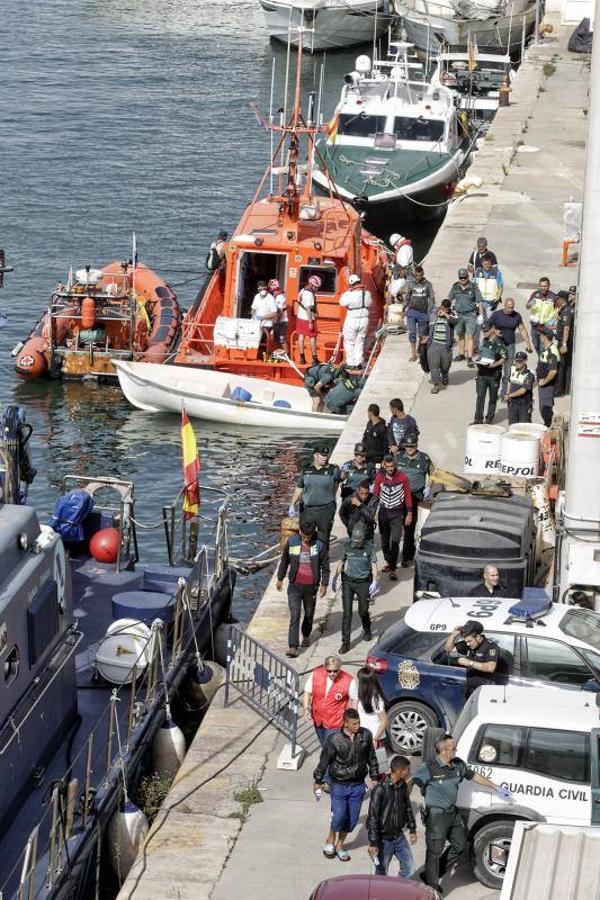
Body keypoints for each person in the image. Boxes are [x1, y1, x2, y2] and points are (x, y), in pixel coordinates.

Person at [412, 733, 506, 892]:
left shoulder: (457, 765)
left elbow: (474, 776)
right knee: (434, 852)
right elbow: (411, 781)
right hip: (436, 815)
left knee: (460, 845)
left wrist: (495, 787)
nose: (456, 750)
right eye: (453, 748)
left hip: (452, 814)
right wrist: (403, 805)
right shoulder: (428, 768)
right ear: (443, 751)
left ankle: (432, 874)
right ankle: (432, 887)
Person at [313, 707, 379, 862]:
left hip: (357, 786)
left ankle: (340, 845)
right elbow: (324, 761)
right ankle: (330, 839)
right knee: (339, 816)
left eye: (358, 723)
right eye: (354, 724)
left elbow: (372, 758)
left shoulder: (365, 735)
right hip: (339, 785)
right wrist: (318, 780)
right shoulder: (334, 739)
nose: (357, 726)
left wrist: (374, 776)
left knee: (352, 819)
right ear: (345, 724)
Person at [276, 519, 329, 658]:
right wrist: (280, 578)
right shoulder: (292, 542)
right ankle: (293, 646)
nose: (306, 540)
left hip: (311, 587)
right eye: (304, 537)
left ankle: (306, 634)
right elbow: (284, 560)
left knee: (309, 613)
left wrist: (324, 584)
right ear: (300, 532)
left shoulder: (319, 545)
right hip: (294, 585)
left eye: (309, 537)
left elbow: (325, 565)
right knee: (295, 614)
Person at [367, 756, 417, 878]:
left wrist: (412, 829)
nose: (409, 772)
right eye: (408, 770)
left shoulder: (403, 786)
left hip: (399, 837)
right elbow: (373, 817)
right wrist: (373, 842)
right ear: (400, 771)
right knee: (381, 874)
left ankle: (397, 891)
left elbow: (408, 808)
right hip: (383, 840)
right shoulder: (380, 789)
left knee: (409, 869)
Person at [303, 656, 357, 760]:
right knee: (325, 746)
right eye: (329, 671)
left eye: (335, 671)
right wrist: (306, 708)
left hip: (335, 723)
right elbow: (307, 692)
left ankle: (328, 774)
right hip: (318, 720)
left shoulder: (348, 681)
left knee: (329, 751)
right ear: (325, 667)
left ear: (340, 667)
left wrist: (353, 722)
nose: (332, 673)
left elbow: (354, 700)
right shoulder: (316, 674)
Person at [395, 434, 433, 567]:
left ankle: (406, 556)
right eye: (407, 446)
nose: (409, 448)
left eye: (412, 446)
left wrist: (428, 487)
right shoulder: (398, 457)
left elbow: (433, 473)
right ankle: (403, 552)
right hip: (399, 495)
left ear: (417, 445)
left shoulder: (424, 458)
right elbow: (388, 471)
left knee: (409, 526)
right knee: (398, 525)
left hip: (415, 495)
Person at [373, 455, 413, 581]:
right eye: (387, 466)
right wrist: (372, 513)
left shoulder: (402, 477)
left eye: (392, 466)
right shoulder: (380, 476)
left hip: (397, 513)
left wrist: (409, 513)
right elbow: (375, 494)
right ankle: (388, 561)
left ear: (395, 465)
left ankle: (393, 568)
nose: (390, 469)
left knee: (394, 540)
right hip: (383, 512)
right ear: (384, 465)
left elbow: (407, 495)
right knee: (384, 540)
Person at [290, 445, 340, 546]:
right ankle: (307, 558)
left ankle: (323, 560)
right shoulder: (306, 469)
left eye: (327, 455)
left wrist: (331, 497)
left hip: (325, 510)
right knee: (306, 536)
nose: (325, 457)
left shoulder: (333, 469)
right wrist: (292, 504)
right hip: (308, 510)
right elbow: (299, 488)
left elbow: (338, 482)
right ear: (315, 455)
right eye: (322, 455)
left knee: (324, 537)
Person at [336, 533, 378, 654]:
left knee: (363, 610)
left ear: (362, 539)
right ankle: (345, 642)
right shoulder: (348, 546)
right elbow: (342, 561)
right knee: (347, 613)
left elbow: (374, 566)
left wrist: (374, 581)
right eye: (354, 540)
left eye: (358, 541)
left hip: (363, 582)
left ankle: (367, 629)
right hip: (348, 582)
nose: (356, 543)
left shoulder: (369, 548)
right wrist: (336, 576)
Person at [488, 297, 533, 399]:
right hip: (497, 346)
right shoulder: (496, 314)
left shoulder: (517, 316)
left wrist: (528, 344)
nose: (510, 310)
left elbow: (522, 330)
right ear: (504, 306)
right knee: (495, 370)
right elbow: (487, 327)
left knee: (508, 372)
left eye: (512, 308)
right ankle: (493, 392)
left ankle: (504, 393)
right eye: (508, 307)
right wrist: (494, 331)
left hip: (510, 346)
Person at [443, 620, 500, 698]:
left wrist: (468, 663)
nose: (467, 644)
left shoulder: (491, 647)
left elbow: (490, 667)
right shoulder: (468, 645)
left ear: (478, 637)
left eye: (469, 641)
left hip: (484, 690)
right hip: (470, 688)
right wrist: (453, 635)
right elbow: (448, 649)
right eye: (466, 641)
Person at [472, 322, 506, 425]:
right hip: (482, 373)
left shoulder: (499, 343)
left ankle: (489, 420)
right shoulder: (485, 340)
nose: (484, 333)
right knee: (480, 397)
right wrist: (478, 360)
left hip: (493, 375)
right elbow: (482, 353)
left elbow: (504, 358)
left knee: (492, 398)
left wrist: (494, 365)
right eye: (483, 331)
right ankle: (478, 420)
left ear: (492, 329)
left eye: (486, 331)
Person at [448, 268, 483, 368]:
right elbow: (449, 299)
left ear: (468, 277)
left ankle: (470, 357)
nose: (462, 279)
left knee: (470, 336)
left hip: (470, 315)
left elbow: (479, 302)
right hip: (458, 315)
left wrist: (480, 315)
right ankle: (461, 354)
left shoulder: (473, 287)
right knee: (460, 335)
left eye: (464, 277)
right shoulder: (455, 287)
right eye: (461, 277)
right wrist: (449, 311)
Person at [339, 274, 372, 367]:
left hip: (352, 319)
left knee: (349, 342)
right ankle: (358, 362)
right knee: (360, 341)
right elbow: (369, 303)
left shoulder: (349, 294)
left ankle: (351, 363)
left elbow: (342, 302)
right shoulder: (367, 293)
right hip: (364, 320)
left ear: (351, 284)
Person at [404, 265, 435, 362]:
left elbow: (432, 298)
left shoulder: (428, 284)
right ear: (414, 275)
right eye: (417, 275)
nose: (419, 277)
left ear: (423, 274)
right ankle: (413, 354)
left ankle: (420, 352)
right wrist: (404, 308)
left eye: (420, 275)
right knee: (412, 333)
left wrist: (429, 311)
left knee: (422, 335)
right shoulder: (411, 284)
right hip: (412, 311)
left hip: (423, 312)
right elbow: (407, 297)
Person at [427, 299, 457, 394]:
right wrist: (425, 337)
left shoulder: (452, 315)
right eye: (443, 308)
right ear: (441, 306)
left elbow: (455, 321)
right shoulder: (434, 314)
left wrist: (446, 315)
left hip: (445, 346)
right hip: (434, 344)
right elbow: (428, 326)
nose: (444, 310)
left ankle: (444, 375)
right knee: (434, 365)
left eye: (446, 309)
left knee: (445, 365)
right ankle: (436, 384)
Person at [356, 667, 388, 746]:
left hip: (373, 738)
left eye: (360, 680)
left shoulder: (376, 699)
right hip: (363, 736)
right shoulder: (363, 694)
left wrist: (375, 739)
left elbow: (384, 721)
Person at [526, 277, 557, 356]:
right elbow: (527, 306)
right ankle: (542, 362)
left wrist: (551, 324)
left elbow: (557, 313)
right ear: (539, 286)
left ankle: (542, 365)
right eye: (541, 286)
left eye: (545, 286)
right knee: (536, 346)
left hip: (546, 328)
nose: (543, 288)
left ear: (549, 286)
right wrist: (531, 303)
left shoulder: (553, 297)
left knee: (543, 350)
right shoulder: (535, 294)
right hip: (535, 327)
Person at [536, 326, 560, 427]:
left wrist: (544, 381)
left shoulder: (551, 353)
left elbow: (553, 371)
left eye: (541, 335)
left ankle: (549, 432)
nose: (539, 337)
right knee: (544, 409)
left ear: (545, 338)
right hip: (544, 385)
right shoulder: (547, 349)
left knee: (545, 410)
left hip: (547, 386)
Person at [297, 274, 321, 364]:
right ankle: (314, 359)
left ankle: (302, 358)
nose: (317, 289)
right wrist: (310, 322)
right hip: (308, 318)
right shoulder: (309, 294)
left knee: (301, 336)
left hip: (300, 317)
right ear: (312, 285)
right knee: (312, 337)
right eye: (316, 287)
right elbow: (308, 308)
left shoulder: (302, 290)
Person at [506, 350, 535, 424]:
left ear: (525, 361)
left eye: (520, 361)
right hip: (512, 403)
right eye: (516, 361)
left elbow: (522, 391)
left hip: (524, 404)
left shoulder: (530, 374)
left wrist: (509, 395)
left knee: (524, 427)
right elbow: (510, 381)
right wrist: (507, 394)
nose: (517, 363)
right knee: (512, 426)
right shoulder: (513, 368)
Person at [555, 291, 575, 396]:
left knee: (562, 365)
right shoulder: (567, 309)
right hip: (566, 341)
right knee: (567, 365)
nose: (556, 301)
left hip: (564, 341)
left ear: (561, 299)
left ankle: (560, 390)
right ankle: (566, 389)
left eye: (557, 299)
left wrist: (564, 344)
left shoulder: (566, 311)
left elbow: (566, 328)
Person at [473, 253, 503, 319]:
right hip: (480, 302)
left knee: (489, 322)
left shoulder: (497, 273)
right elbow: (474, 286)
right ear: (482, 263)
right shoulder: (477, 272)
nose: (486, 266)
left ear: (491, 263)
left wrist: (497, 299)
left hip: (491, 303)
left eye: (488, 264)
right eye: (484, 264)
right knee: (480, 321)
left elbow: (500, 287)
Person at [268, 278, 288, 347]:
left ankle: (287, 356)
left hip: (281, 322)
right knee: (276, 340)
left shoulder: (279, 297)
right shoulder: (275, 296)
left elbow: (281, 311)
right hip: (276, 321)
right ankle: (279, 354)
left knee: (282, 339)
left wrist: (277, 323)